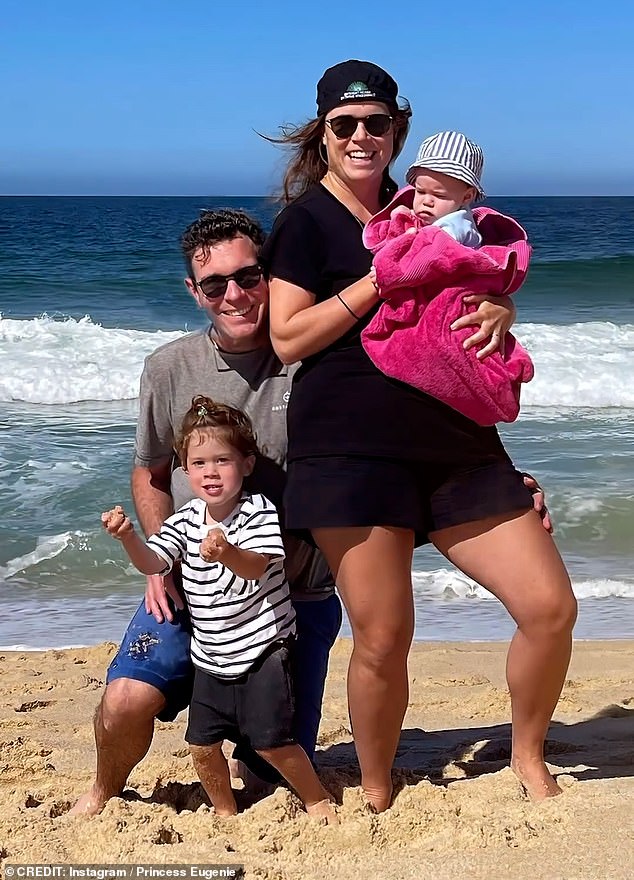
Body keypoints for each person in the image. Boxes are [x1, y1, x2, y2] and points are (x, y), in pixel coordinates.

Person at [263, 58, 577, 812]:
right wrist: (380, 278)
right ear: (324, 134)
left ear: (396, 128)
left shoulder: (437, 210)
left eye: (377, 123)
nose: (362, 136)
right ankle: (375, 789)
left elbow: (472, 286)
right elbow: (287, 338)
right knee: (383, 636)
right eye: (345, 125)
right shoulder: (306, 221)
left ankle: (528, 755)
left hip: (457, 441)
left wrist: (502, 308)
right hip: (349, 446)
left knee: (549, 606)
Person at [70, 209, 342, 816]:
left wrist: (511, 480)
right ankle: (102, 793)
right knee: (125, 702)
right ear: (194, 292)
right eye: (215, 284)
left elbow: (403, 429)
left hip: (293, 598)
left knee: (273, 770)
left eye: (248, 276)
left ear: (271, 274)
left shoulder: (316, 355)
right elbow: (150, 472)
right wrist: (157, 566)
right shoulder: (169, 368)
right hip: (192, 588)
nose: (235, 295)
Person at [100, 395, 337, 822]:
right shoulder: (185, 520)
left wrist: (227, 552)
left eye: (222, 461)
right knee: (202, 746)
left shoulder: (257, 512)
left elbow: (255, 567)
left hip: (263, 649)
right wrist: (128, 538)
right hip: (210, 655)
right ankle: (226, 813)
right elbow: (155, 562)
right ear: (185, 471)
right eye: (199, 463)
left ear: (246, 465)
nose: (211, 472)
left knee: (272, 742)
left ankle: (317, 798)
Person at [359, 129, 535, 425]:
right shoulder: (433, 217)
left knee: (441, 341)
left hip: (453, 297)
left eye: (438, 195)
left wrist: (392, 271)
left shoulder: (456, 226)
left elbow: (427, 261)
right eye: (421, 191)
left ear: (466, 197)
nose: (425, 202)